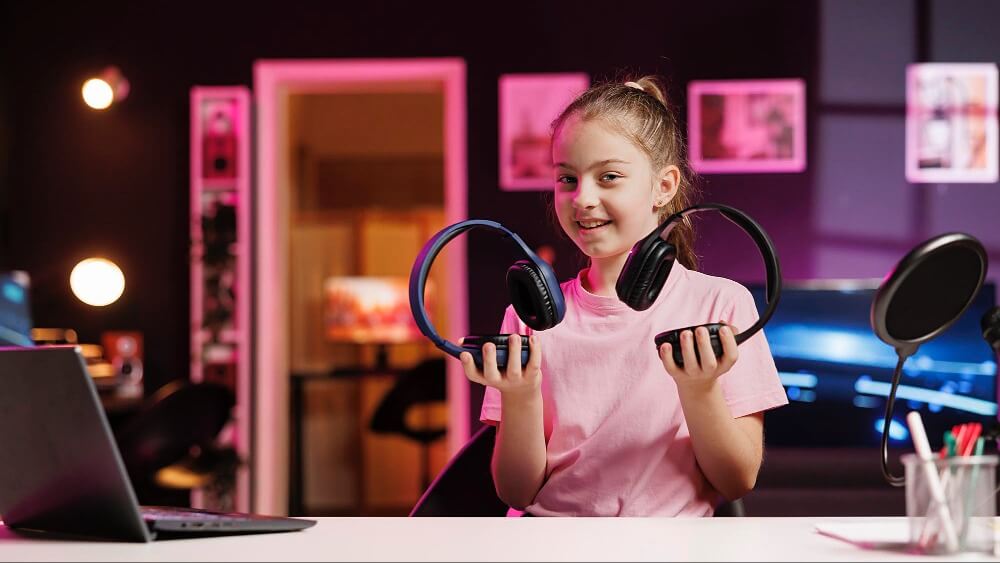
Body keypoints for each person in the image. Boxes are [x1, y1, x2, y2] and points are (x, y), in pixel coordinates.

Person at [458, 76, 788, 517]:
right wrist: (520, 396)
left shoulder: (720, 307)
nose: (583, 199)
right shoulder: (531, 317)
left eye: (608, 177)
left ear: (664, 186)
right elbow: (517, 492)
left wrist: (699, 388)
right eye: (567, 179)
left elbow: (735, 480)